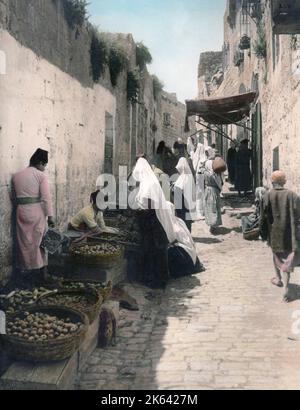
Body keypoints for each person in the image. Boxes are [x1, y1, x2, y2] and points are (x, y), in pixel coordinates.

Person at [131, 158, 202, 288]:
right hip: (151, 220)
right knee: (152, 250)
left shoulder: (149, 185)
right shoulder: (148, 183)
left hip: (152, 221)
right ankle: (153, 278)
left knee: (154, 250)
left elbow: (150, 205)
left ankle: (156, 280)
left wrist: (140, 211)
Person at [12, 148, 55, 284]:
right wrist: (50, 216)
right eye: (44, 165)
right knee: (39, 242)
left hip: (21, 211)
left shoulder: (17, 176)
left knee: (24, 242)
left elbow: (13, 197)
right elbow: (46, 197)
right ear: (40, 163)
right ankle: (42, 273)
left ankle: (26, 272)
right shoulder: (40, 176)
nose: (44, 168)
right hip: (36, 212)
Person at [261, 171, 300, 303]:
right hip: (290, 233)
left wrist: (263, 234)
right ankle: (280, 280)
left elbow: (263, 217)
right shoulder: (293, 196)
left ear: (272, 182)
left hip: (274, 233)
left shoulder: (267, 195)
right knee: (288, 256)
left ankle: (284, 286)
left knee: (276, 255)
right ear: (284, 182)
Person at [173, 157, 196, 232]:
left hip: (183, 203)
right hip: (183, 203)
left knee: (184, 220)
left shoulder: (185, 177)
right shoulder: (184, 177)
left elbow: (181, 189)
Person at [203, 153, 224, 234]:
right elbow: (218, 183)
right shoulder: (213, 174)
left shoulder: (205, 173)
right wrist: (220, 189)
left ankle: (211, 225)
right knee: (214, 208)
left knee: (209, 208)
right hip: (214, 191)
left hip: (207, 190)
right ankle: (214, 226)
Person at [193, 141, 207, 220]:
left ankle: (200, 211)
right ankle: (200, 212)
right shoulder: (202, 159)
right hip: (201, 180)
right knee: (201, 195)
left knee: (200, 195)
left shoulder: (199, 160)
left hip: (200, 180)